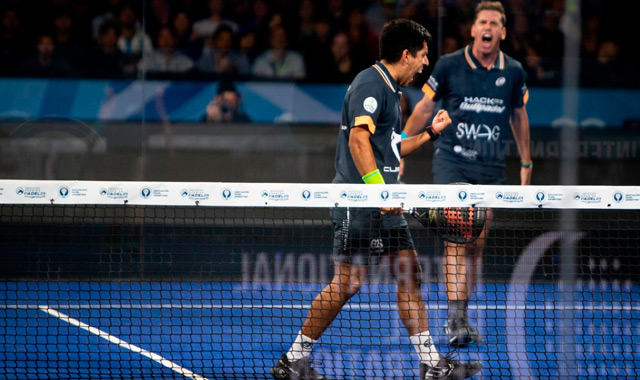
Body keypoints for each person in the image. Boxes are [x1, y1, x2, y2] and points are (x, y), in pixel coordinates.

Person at [270, 19, 482, 380]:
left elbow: (392, 147)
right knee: (349, 283)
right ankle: (293, 361)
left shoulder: (390, 92)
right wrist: (376, 189)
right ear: (406, 54)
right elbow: (358, 141)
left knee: (409, 275)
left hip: (384, 202)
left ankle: (433, 366)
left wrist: (431, 132)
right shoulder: (371, 82)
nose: (425, 64)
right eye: (423, 56)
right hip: (359, 200)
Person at [403, 0, 532, 348]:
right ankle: (455, 318)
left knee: (477, 240)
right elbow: (425, 107)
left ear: (502, 32)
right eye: (482, 22)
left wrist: (525, 162)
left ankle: (460, 311)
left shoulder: (514, 72)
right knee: (456, 235)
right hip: (453, 162)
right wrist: (399, 144)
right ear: (473, 30)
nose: (488, 27)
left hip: (490, 168)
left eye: (494, 22)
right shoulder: (448, 65)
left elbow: (519, 117)